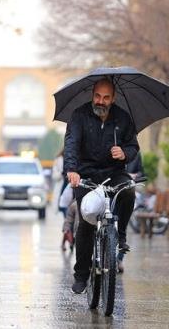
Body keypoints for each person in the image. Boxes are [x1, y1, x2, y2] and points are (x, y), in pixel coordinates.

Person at [63, 77, 139, 294]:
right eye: (97, 96)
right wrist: (72, 170)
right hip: (85, 176)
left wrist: (125, 153)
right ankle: (81, 275)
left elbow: (134, 146)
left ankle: (121, 235)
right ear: (92, 95)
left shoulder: (123, 119)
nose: (101, 101)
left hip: (113, 173)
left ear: (113, 99)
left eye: (106, 97)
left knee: (129, 191)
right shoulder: (79, 115)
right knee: (86, 221)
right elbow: (71, 144)